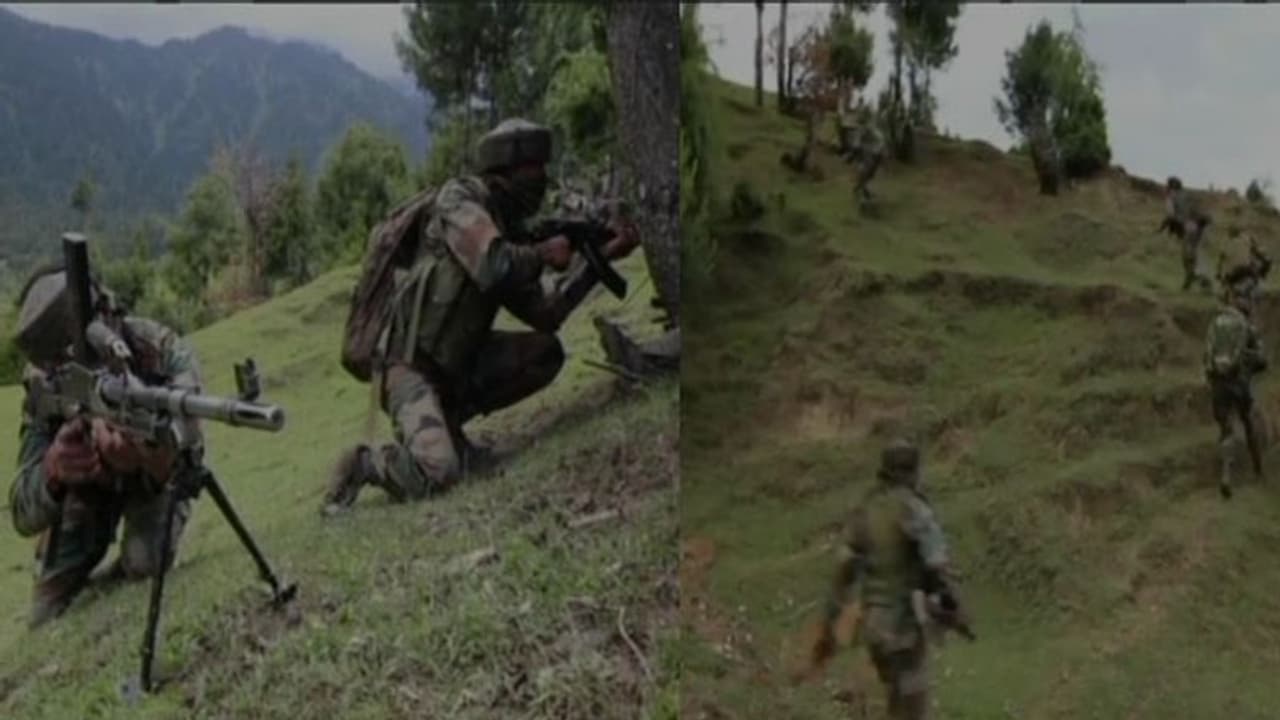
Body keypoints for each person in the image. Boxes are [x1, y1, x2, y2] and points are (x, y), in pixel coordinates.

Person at [323, 118, 640, 515]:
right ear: (507, 167)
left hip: (457, 363)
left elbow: (546, 313)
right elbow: (494, 265)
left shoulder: (508, 232)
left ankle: (448, 429)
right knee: (439, 475)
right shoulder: (460, 200)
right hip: (408, 368)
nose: (541, 179)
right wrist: (544, 253)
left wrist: (599, 261)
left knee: (545, 353)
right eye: (534, 168)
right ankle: (366, 463)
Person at [8, 268, 200, 626]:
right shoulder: (43, 388)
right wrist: (53, 469)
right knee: (45, 614)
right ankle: (95, 588)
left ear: (109, 314)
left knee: (144, 565)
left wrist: (145, 459)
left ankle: (121, 574)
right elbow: (20, 511)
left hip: (154, 483)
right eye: (64, 363)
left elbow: (190, 460)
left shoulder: (159, 349)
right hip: (88, 489)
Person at [810, 439, 971, 719]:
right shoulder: (915, 509)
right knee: (914, 708)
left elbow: (843, 574)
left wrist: (828, 628)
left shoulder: (865, 512)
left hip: (874, 631)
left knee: (896, 701)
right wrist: (953, 610)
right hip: (904, 631)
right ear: (914, 472)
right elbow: (936, 565)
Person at [1204, 288, 1268, 499]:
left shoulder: (1215, 323)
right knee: (1248, 422)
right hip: (1238, 383)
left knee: (1226, 430)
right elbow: (1262, 360)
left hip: (1218, 383)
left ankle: (1226, 475)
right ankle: (1258, 467)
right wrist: (1250, 364)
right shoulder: (1246, 326)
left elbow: (1207, 354)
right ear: (1243, 303)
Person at [1157, 176, 1213, 292]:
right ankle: (1197, 279)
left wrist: (1161, 229)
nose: (1166, 189)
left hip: (1191, 226)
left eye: (1168, 186)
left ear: (1171, 188)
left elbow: (1170, 216)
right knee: (1194, 255)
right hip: (1202, 227)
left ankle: (1198, 279)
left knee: (1188, 256)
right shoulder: (1188, 195)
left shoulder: (1172, 197)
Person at [1218, 226, 1271, 316]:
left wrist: (1220, 273)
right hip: (1246, 272)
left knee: (1230, 287)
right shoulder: (1247, 239)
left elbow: (1222, 259)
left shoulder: (1228, 243)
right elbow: (1260, 254)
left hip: (1237, 273)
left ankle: (1232, 301)